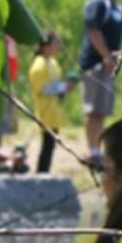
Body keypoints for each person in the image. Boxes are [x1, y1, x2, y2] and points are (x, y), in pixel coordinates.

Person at [81, 0, 122, 166]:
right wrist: (106, 57)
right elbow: (93, 30)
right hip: (96, 65)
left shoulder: (117, 8)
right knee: (93, 109)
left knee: (101, 110)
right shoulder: (98, 3)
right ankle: (93, 151)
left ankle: (97, 149)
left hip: (107, 66)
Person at [27, 30, 71, 175]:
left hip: (55, 113)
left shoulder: (53, 63)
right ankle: (41, 174)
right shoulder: (38, 65)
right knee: (46, 146)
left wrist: (66, 86)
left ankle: (44, 173)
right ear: (46, 45)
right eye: (56, 42)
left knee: (51, 146)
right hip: (45, 113)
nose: (58, 46)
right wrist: (63, 87)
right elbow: (41, 88)